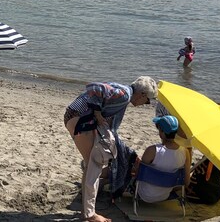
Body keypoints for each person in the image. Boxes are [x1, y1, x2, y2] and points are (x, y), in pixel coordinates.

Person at [64, 76, 158, 222]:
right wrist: (96, 112)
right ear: (142, 94)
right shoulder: (125, 94)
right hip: (79, 117)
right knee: (93, 166)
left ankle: (87, 212)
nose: (145, 104)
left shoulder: (123, 94)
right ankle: (89, 215)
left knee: (92, 165)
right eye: (147, 101)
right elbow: (94, 87)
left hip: (77, 116)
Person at [134, 115, 192, 203]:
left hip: (144, 194)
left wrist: (136, 166)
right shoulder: (185, 152)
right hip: (164, 195)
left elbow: (138, 175)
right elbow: (186, 182)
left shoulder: (152, 150)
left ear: (162, 133)